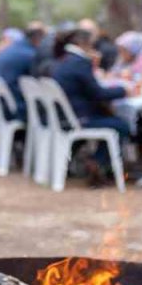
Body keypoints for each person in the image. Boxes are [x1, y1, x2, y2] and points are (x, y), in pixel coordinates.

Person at [51, 29, 130, 185]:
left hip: (65, 116)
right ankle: (97, 162)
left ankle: (79, 164)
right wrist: (124, 91)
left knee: (110, 119)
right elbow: (97, 93)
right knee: (122, 125)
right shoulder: (79, 62)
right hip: (79, 118)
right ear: (83, 44)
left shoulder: (64, 59)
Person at [0, 27, 42, 120]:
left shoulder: (9, 50)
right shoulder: (29, 54)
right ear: (37, 39)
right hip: (17, 107)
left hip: (2, 105)